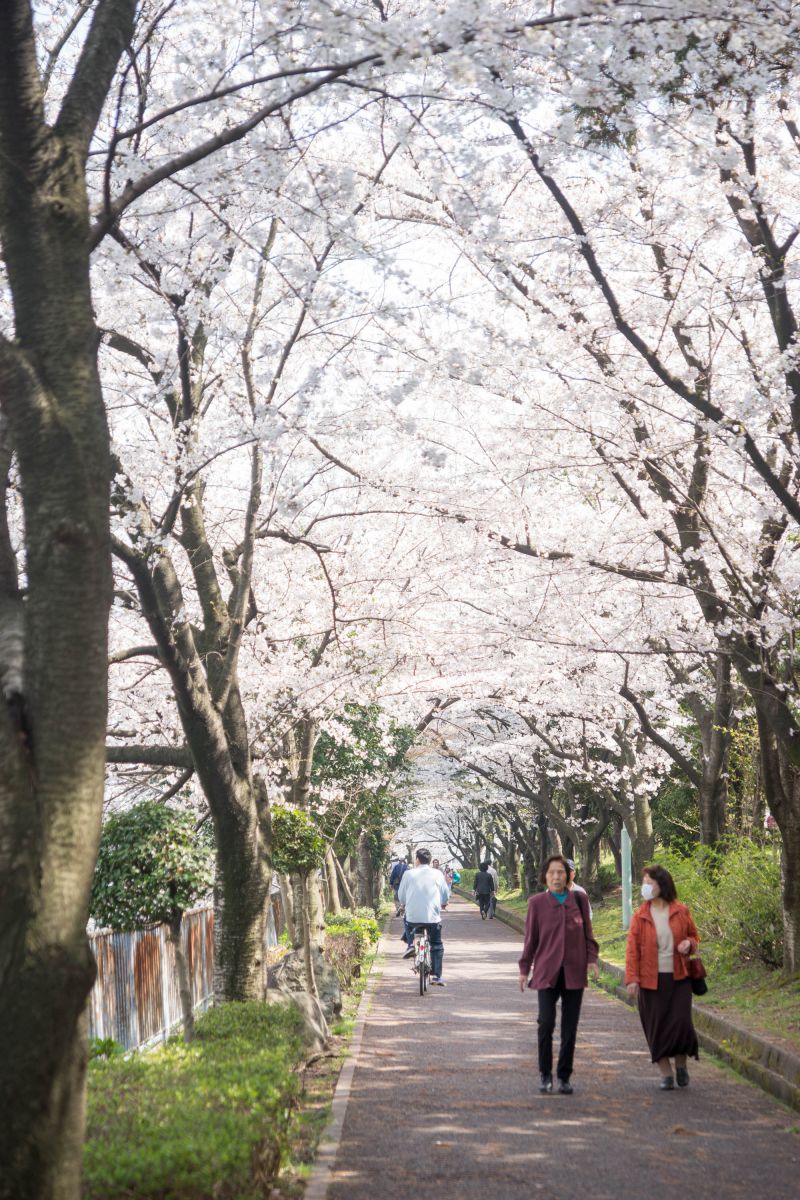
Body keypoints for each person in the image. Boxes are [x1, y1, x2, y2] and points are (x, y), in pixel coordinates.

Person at [518, 854, 599, 1095]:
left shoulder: (580, 899)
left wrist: (592, 960)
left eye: (561, 872)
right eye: (552, 872)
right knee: (545, 1023)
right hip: (546, 972)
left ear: (569, 875)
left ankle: (564, 1076)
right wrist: (524, 970)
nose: (556, 877)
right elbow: (530, 941)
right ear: (545, 876)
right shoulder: (536, 903)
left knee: (570, 1027)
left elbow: (589, 935)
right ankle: (545, 1075)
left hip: (573, 971)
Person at [625, 864, 700, 1090]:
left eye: (649, 883)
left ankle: (681, 1065)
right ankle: (666, 1074)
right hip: (650, 980)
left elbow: (694, 936)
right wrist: (632, 979)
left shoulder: (680, 910)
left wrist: (690, 943)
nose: (645, 887)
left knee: (680, 1024)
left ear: (662, 885)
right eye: (644, 883)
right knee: (656, 1026)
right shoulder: (640, 915)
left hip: (679, 978)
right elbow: (632, 950)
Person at [398, 847, 450, 986]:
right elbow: (445, 893)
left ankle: (410, 944)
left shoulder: (408, 874)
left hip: (412, 918)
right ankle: (437, 976)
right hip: (433, 918)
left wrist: (403, 904)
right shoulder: (438, 874)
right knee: (436, 944)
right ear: (430, 860)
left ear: (417, 859)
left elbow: (401, 895)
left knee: (407, 920)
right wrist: (444, 903)